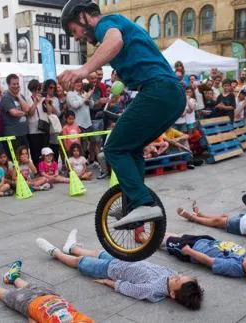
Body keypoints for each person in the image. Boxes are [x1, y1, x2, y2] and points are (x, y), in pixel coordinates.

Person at [58, 0, 186, 228]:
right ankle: (138, 203)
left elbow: (114, 41)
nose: (76, 37)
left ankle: (142, 202)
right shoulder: (114, 28)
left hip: (159, 91)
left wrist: (83, 69)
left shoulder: (108, 23)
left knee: (114, 148)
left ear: (84, 16)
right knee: (131, 147)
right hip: (170, 95)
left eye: (74, 30)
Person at [35, 229, 203, 310]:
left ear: (172, 294)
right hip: (123, 261)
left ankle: (55, 253)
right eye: (181, 275)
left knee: (82, 262)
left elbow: (129, 289)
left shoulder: (152, 291)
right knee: (98, 253)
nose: (176, 275)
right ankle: (71, 247)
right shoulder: (170, 275)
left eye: (177, 280)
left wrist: (108, 283)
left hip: (111, 271)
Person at [0, 261, 94, 323]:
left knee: (10, 296)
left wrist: (30, 317)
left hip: (31, 304)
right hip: (52, 296)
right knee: (32, 286)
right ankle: (13, 278)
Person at [146, 231, 246, 284]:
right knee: (177, 236)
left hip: (194, 250)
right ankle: (154, 231)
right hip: (205, 242)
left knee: (168, 242)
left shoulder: (234, 267)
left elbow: (209, 262)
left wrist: (189, 252)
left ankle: (144, 241)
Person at [0, 74, 30, 153]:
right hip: (12, 134)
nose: (16, 86)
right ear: (8, 85)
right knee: (16, 159)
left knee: (25, 159)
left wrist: (18, 96)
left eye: (17, 83)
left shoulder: (21, 96)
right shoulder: (6, 97)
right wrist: (25, 113)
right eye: (13, 84)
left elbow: (27, 109)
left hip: (23, 133)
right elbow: (14, 113)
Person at [66, 79, 93, 153]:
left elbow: (92, 105)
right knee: (79, 147)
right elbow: (75, 105)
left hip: (88, 123)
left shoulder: (84, 92)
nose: (78, 84)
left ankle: (90, 161)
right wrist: (85, 98)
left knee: (91, 144)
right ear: (72, 84)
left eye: (80, 82)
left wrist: (89, 99)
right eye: (76, 82)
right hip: (78, 124)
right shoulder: (70, 94)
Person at [87, 71, 106, 164]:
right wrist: (99, 102)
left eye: (96, 77)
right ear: (87, 79)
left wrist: (106, 101)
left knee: (95, 141)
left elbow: (104, 100)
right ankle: (101, 164)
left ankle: (91, 159)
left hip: (100, 116)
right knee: (96, 141)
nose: (95, 80)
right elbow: (90, 104)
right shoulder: (86, 88)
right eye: (92, 78)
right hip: (92, 118)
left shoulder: (101, 86)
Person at [42, 79, 62, 163]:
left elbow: (58, 113)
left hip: (54, 126)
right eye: (50, 87)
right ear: (46, 87)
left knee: (55, 147)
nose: (52, 89)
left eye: (54, 88)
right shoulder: (41, 98)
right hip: (43, 126)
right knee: (45, 147)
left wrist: (50, 103)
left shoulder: (56, 99)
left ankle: (55, 166)